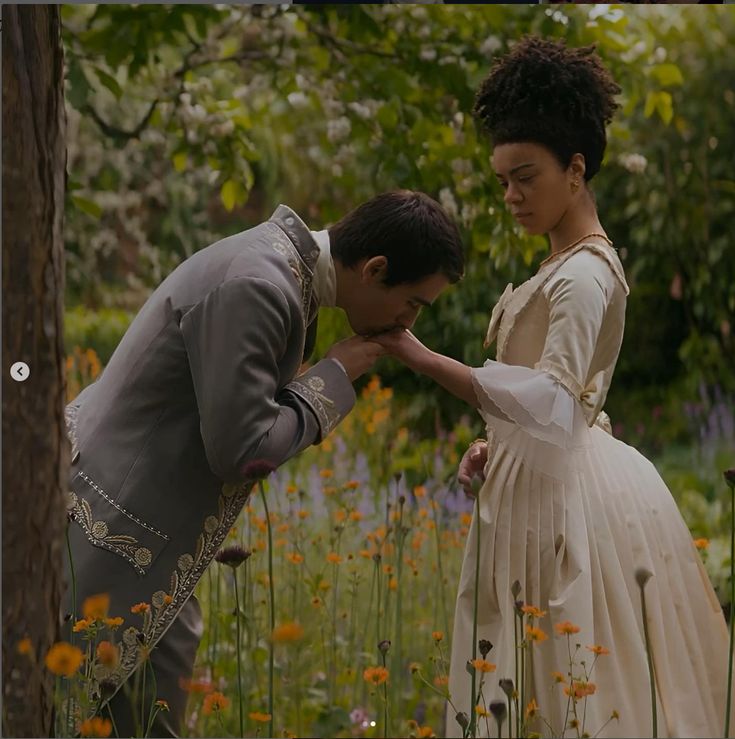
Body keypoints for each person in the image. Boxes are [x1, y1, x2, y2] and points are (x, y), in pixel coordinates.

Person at [375, 38, 732, 738]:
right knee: (524, 673)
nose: (510, 195)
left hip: (561, 503)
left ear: (575, 170)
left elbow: (556, 402)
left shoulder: (584, 274)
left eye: (524, 176)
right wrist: (492, 438)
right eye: (502, 178)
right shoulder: (559, 261)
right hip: (535, 481)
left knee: (566, 675)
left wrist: (421, 357)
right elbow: (541, 396)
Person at [63, 189, 464, 735]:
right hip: (109, 530)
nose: (408, 321)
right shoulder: (262, 285)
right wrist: (334, 376)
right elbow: (240, 450)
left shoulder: (280, 270)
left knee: (154, 710)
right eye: (414, 303)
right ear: (375, 269)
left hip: (149, 541)